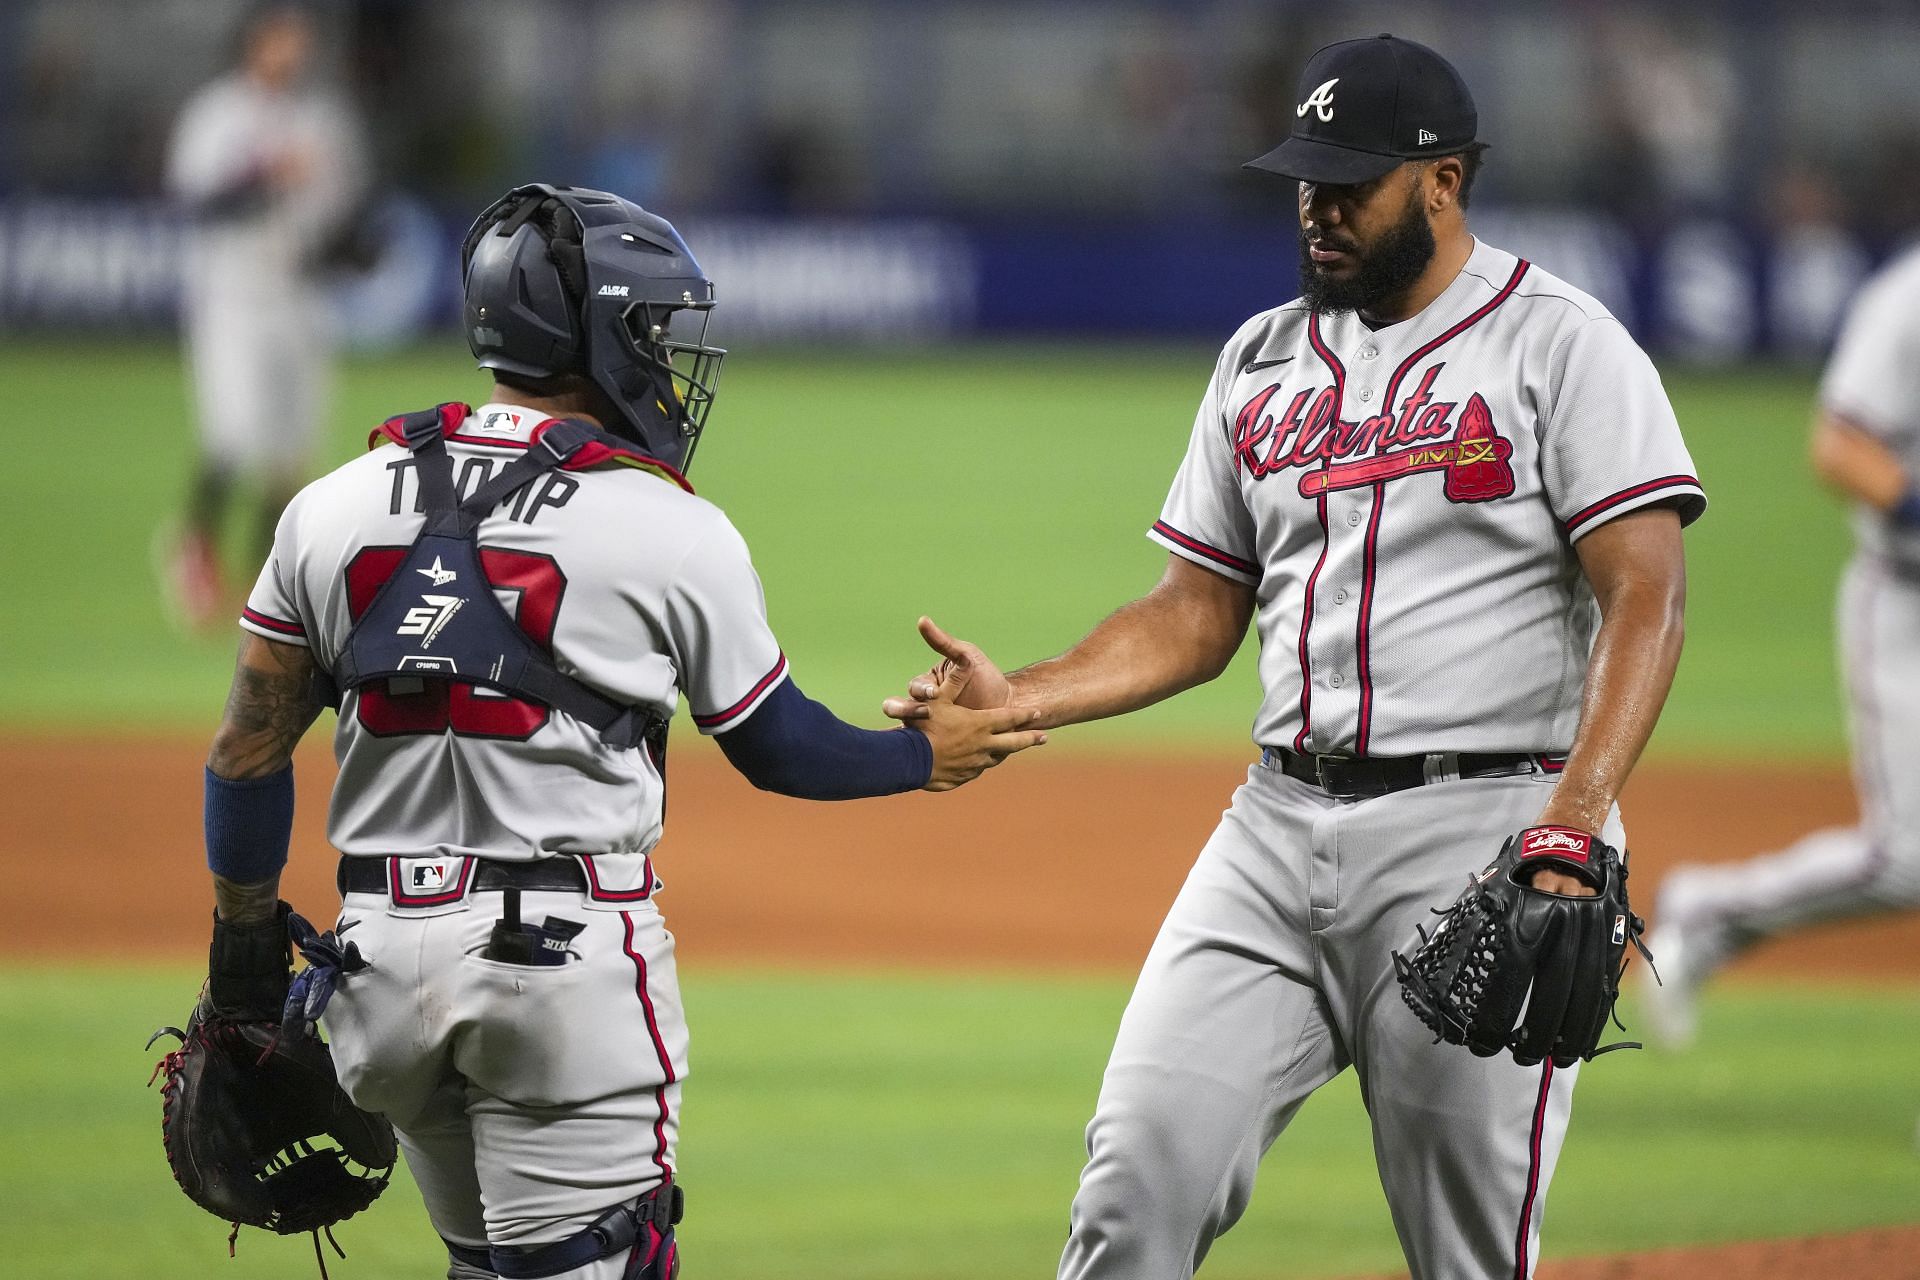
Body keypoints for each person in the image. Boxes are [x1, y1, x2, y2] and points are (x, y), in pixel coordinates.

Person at [885, 35, 1704, 1280]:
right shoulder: (1262, 356)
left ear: (1441, 180)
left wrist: (1576, 822)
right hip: (1270, 834)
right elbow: (1197, 607)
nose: (1317, 207)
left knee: (1467, 1252)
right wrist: (1027, 693)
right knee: (1133, 1187)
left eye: (1349, 181)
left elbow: (1648, 597)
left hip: (1485, 834)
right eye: (1305, 179)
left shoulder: (1564, 344)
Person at [196, 183, 1045, 1280]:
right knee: (602, 1261)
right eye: (650, 326)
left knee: (485, 1264)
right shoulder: (668, 525)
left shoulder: (331, 504)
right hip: (557, 977)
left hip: (377, 976)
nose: (669, 354)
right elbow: (777, 744)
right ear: (593, 334)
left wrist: (242, 958)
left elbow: (247, 751)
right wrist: (926, 754)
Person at [1643, 245, 1920, 1047]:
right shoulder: (1906, 300)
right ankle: (1711, 909)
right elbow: (1839, 447)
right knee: (1906, 859)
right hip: (1905, 604)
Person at [163, 2, 369, 628]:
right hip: (232, 298)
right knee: (234, 434)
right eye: (280, 38)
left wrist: (353, 254)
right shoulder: (219, 112)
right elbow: (197, 201)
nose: (291, 50)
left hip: (300, 299)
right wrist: (263, 173)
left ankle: (262, 579)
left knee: (292, 451)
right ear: (254, 43)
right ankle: (193, 547)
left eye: (297, 39)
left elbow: (342, 216)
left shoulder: (325, 119)